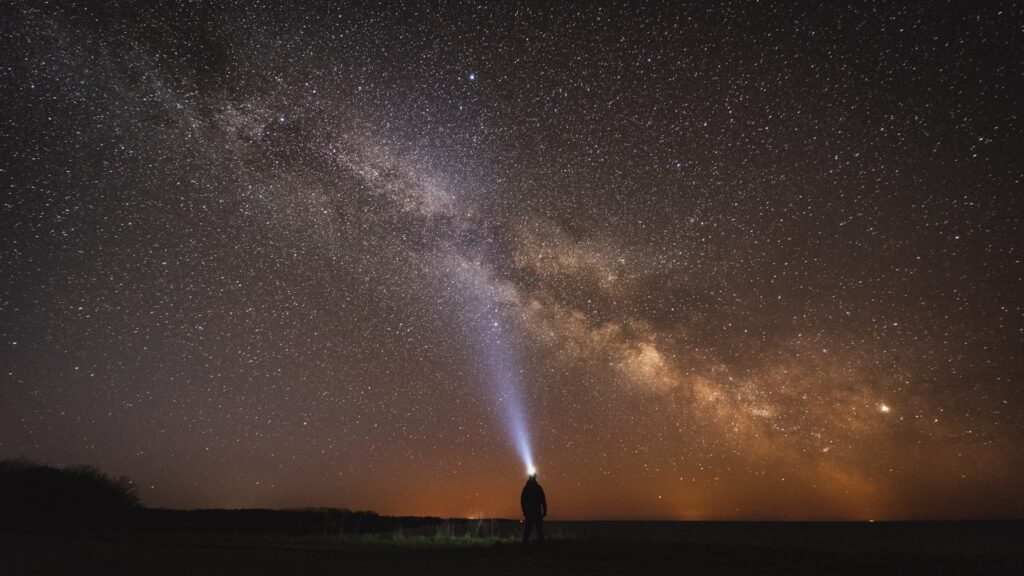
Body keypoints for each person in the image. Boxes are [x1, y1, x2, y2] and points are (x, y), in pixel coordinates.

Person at [520, 471, 547, 545]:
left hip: (530, 512)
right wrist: (544, 511)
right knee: (539, 530)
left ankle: (525, 546)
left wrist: (524, 511)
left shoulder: (526, 488)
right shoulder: (538, 488)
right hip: (536, 511)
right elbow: (543, 500)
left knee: (528, 530)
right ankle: (541, 546)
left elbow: (522, 501)